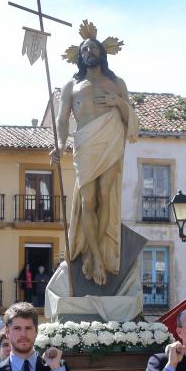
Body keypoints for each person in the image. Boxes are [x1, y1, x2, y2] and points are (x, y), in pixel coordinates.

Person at [56, 26, 138, 286]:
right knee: (87, 200)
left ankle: (97, 257)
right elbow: (61, 119)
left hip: (111, 140)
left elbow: (131, 117)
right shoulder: (72, 85)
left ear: (102, 53)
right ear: (80, 56)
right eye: (84, 49)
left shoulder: (117, 83)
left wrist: (118, 103)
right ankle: (92, 252)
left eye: (93, 47)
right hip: (85, 143)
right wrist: (59, 145)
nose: (89, 51)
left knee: (105, 196)